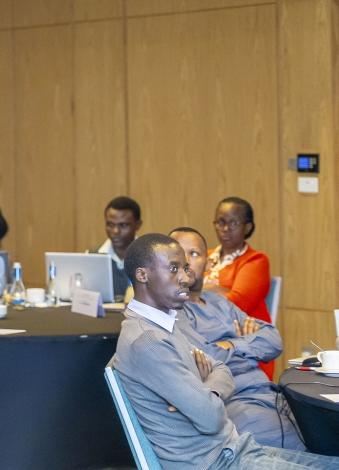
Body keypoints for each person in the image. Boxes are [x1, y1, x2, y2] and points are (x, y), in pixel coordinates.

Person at [113, 233, 339, 470]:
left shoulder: (161, 322)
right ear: (142, 275)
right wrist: (207, 399)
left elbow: (221, 369)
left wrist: (206, 391)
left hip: (234, 449)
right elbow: (211, 419)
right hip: (214, 462)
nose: (185, 278)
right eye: (173, 269)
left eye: (184, 268)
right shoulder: (149, 340)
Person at [171, 227, 303, 450]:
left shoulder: (220, 303)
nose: (185, 261)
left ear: (209, 263)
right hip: (235, 401)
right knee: (307, 444)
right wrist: (251, 345)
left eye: (193, 254)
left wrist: (231, 344)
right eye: (178, 254)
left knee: (326, 426)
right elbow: (208, 357)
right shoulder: (174, 310)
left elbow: (274, 340)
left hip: (270, 393)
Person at [205, 197, 273, 377]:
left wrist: (199, 292)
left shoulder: (256, 260)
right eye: (221, 222)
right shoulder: (203, 256)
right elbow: (181, 292)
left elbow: (236, 303)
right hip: (206, 338)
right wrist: (218, 290)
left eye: (233, 223)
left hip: (245, 347)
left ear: (247, 227)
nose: (225, 229)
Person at [90, 196, 142, 297]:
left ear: (138, 224)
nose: (115, 231)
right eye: (110, 224)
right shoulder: (93, 255)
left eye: (123, 225)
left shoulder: (150, 257)